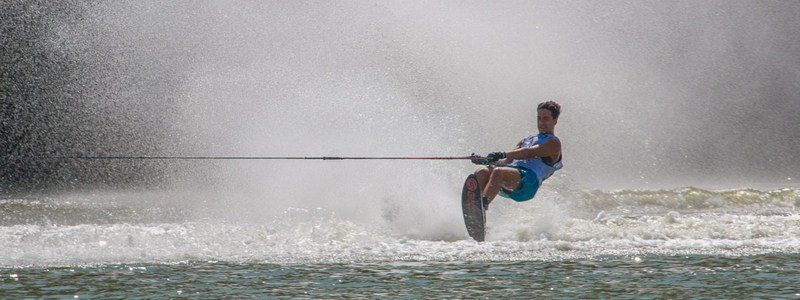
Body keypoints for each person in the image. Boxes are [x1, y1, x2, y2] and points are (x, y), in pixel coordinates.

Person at [471, 101, 563, 210]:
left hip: (528, 183)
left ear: (555, 121)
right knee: (481, 171)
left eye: (546, 119)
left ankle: (481, 206)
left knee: (498, 172)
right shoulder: (526, 140)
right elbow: (507, 161)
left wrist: (502, 154)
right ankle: (475, 214)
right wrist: (485, 160)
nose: (541, 122)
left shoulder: (553, 143)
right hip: (510, 178)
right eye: (539, 118)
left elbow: (529, 152)